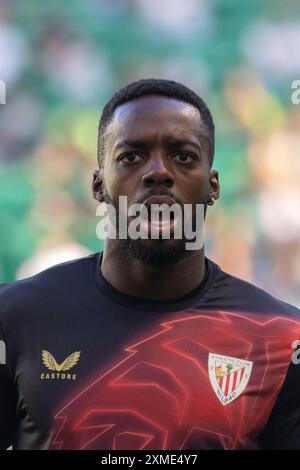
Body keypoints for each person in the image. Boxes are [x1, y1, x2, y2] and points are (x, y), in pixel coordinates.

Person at [1, 78, 300, 450]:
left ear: (213, 186)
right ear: (98, 185)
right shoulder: (14, 317)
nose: (158, 172)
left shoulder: (283, 338)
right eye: (131, 156)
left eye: (183, 156)